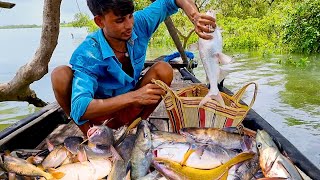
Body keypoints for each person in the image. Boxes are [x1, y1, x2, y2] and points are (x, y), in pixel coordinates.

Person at [51, 0, 216, 135]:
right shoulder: (88, 53)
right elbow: (80, 108)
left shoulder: (139, 23)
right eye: (120, 20)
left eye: (130, 16)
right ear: (100, 21)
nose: (129, 25)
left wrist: (195, 17)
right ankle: (89, 134)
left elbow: (169, 2)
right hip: (101, 115)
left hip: (130, 109)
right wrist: (134, 97)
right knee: (60, 75)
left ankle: (137, 125)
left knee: (163, 70)